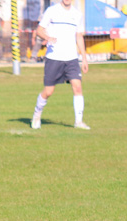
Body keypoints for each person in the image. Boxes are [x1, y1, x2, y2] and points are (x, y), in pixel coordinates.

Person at [30, 0, 90, 130]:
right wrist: (48, 37)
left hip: (72, 58)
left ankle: (78, 122)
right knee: (49, 91)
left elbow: (79, 36)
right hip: (54, 57)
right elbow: (39, 30)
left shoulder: (77, 14)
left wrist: (84, 58)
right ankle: (36, 115)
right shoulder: (52, 11)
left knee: (77, 87)